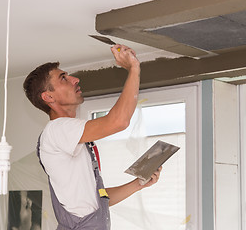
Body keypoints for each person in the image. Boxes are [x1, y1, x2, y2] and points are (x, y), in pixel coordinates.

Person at [23, 44, 162, 230]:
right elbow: (119, 121)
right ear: (48, 97)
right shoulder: (57, 130)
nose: (75, 79)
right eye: (63, 78)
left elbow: (100, 200)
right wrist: (134, 68)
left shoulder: (72, 136)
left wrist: (139, 183)